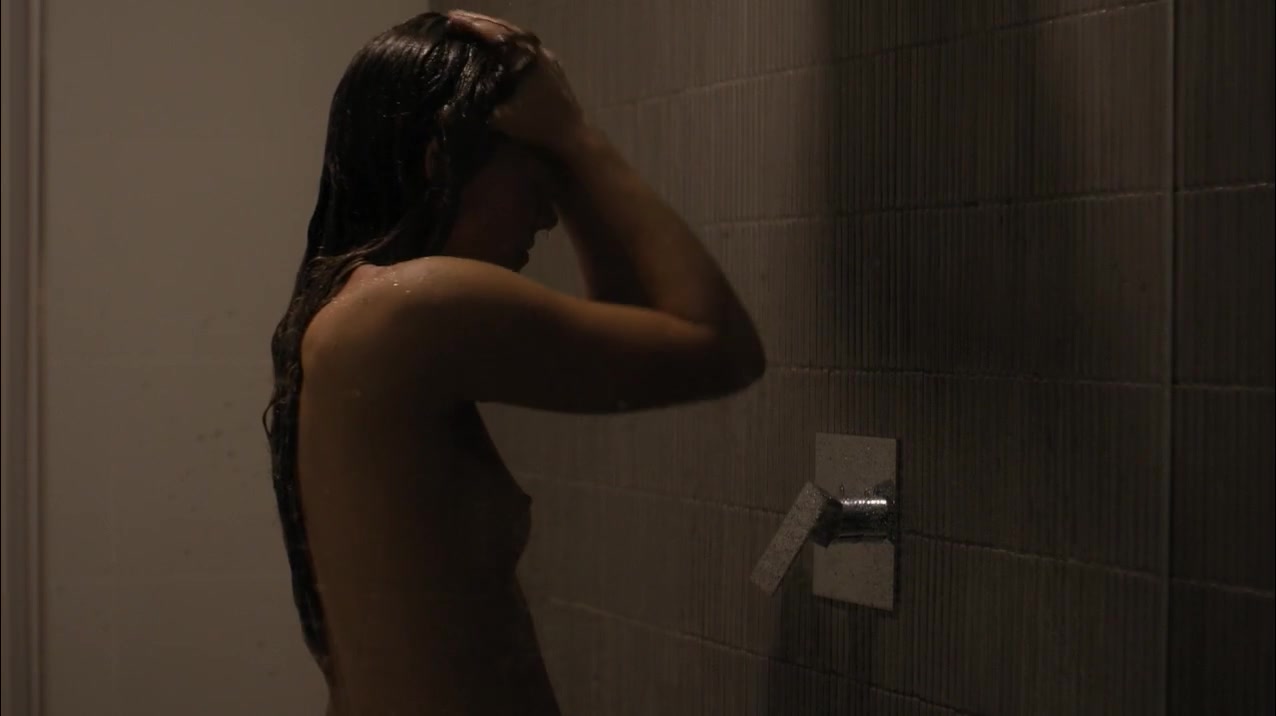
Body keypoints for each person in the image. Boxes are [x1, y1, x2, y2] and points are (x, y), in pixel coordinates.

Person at [262, 9, 765, 715]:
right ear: (440, 158)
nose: (548, 216)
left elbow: (630, 340)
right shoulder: (418, 306)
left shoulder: (353, 312)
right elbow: (717, 348)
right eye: (536, 177)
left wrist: (560, 152)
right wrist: (576, 138)